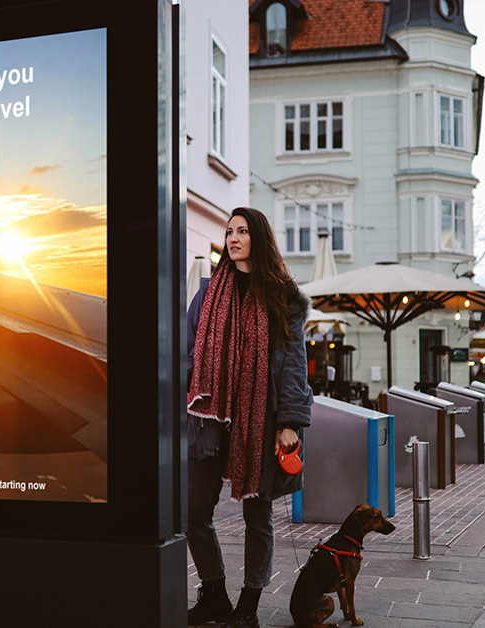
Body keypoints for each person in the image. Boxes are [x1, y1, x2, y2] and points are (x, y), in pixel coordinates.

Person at [185, 207, 314, 628]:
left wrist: (290, 422)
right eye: (228, 231)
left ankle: (249, 606)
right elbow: (189, 351)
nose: (233, 237)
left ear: (258, 237)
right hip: (210, 418)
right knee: (193, 511)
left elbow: (294, 364)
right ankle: (215, 594)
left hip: (262, 419)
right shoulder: (207, 293)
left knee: (257, 516)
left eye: (242, 230)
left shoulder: (282, 297)